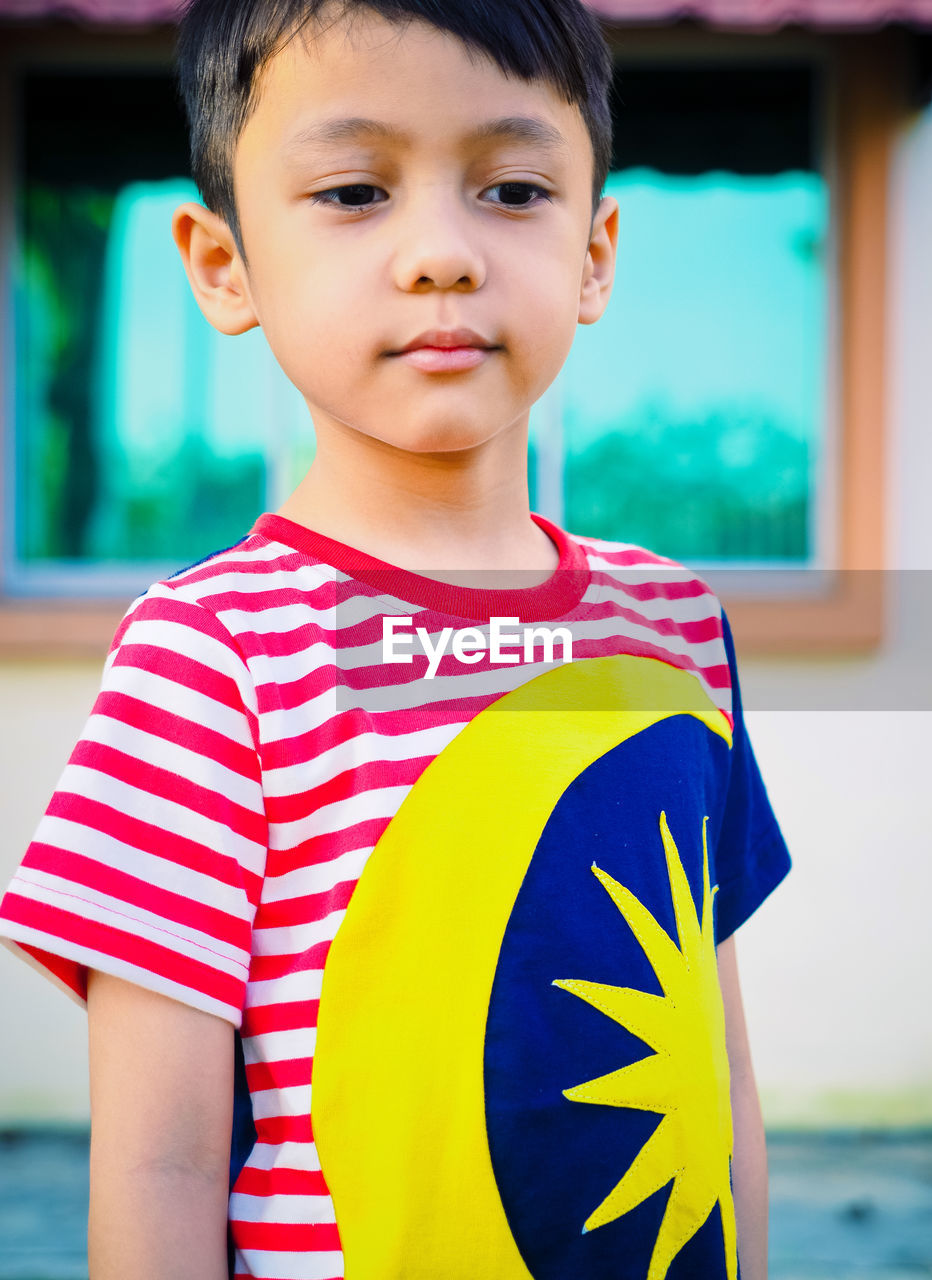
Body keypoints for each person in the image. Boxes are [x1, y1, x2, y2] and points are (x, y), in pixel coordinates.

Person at [0, 1, 791, 1277]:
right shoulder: (209, 656)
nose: (441, 254)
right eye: (358, 189)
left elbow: (714, 1062)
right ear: (222, 265)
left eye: (514, 186)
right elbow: (159, 1163)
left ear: (595, 253)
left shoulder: (675, 624)